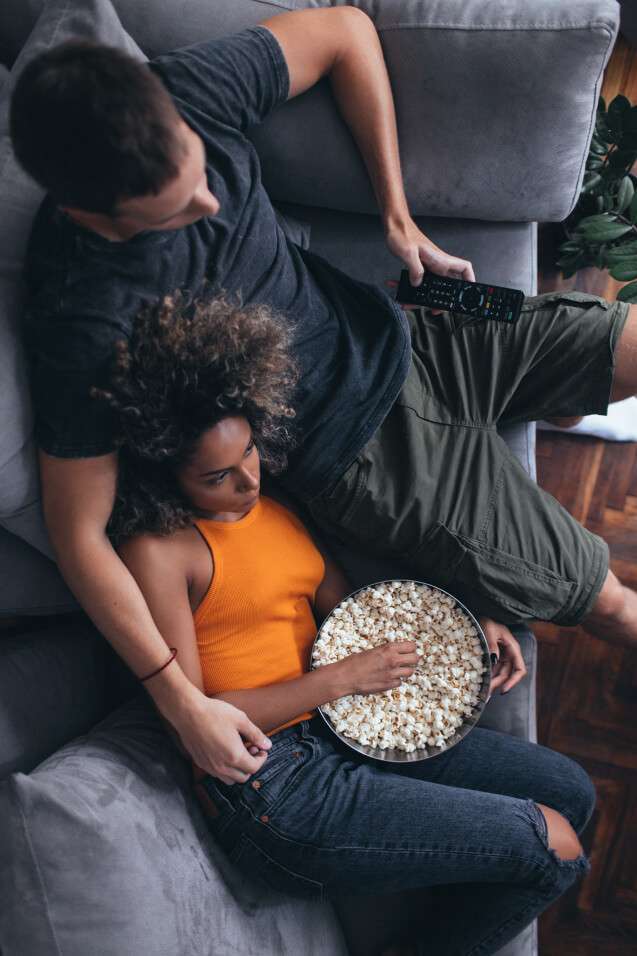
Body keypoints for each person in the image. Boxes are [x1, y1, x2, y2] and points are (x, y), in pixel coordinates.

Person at [9, 6, 637, 781]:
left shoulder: (183, 92)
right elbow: (81, 535)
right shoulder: (79, 320)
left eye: (201, 173)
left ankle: (560, 401)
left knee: (627, 333)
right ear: (88, 215)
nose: (210, 205)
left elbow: (346, 31)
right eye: (173, 213)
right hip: (372, 459)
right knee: (604, 601)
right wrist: (180, 702)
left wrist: (397, 217)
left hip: (415, 316)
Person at [102, 290, 594, 956]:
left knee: (571, 792)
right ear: (164, 471)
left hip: (349, 730)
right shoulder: (158, 551)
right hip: (273, 790)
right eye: (217, 475)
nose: (246, 480)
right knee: (555, 847)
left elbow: (354, 606)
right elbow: (197, 716)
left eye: (249, 452)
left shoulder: (274, 506)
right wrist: (340, 679)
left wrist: (470, 620)